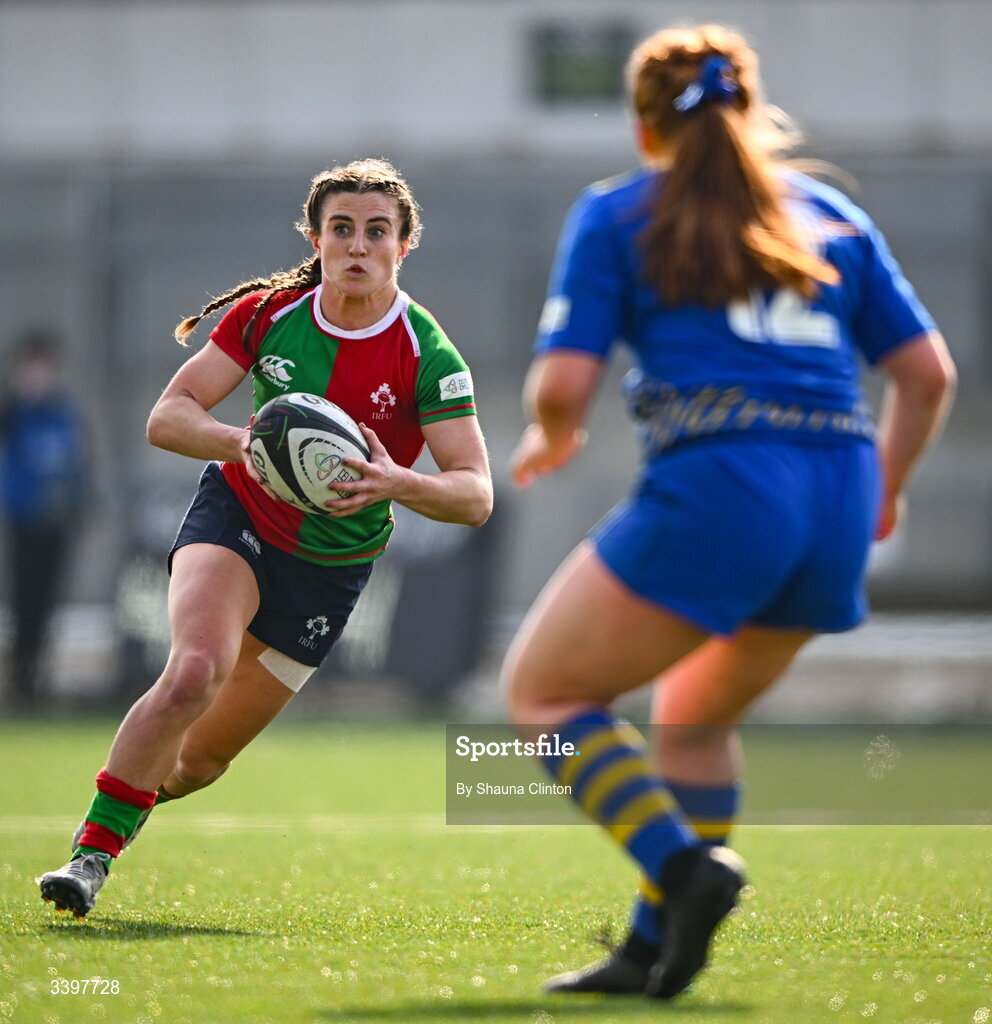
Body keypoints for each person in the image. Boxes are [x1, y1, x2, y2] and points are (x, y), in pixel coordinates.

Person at [502, 23, 955, 1001]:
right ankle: (647, 948)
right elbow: (925, 375)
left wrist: (549, 432)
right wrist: (886, 485)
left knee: (541, 695)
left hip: (725, 485)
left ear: (641, 123)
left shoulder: (621, 211)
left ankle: (681, 866)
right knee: (693, 718)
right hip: (835, 488)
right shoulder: (827, 211)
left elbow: (563, 382)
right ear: (750, 112)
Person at [39, 158, 493, 919]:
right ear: (315, 238)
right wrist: (239, 443)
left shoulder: (426, 352)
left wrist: (398, 483)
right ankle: (90, 856)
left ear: (404, 245)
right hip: (239, 517)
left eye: (376, 231)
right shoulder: (270, 313)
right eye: (340, 229)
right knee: (192, 673)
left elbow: (475, 494)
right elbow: (168, 416)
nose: (357, 245)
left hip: (328, 566)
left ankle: (131, 794)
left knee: (200, 761)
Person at [0, 331, 88, 712]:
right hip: (24, 521)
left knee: (49, 601)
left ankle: (38, 676)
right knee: (24, 601)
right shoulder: (13, 413)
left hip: (56, 522)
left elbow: (78, 465)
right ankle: (21, 678)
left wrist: (82, 505)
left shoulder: (63, 414)